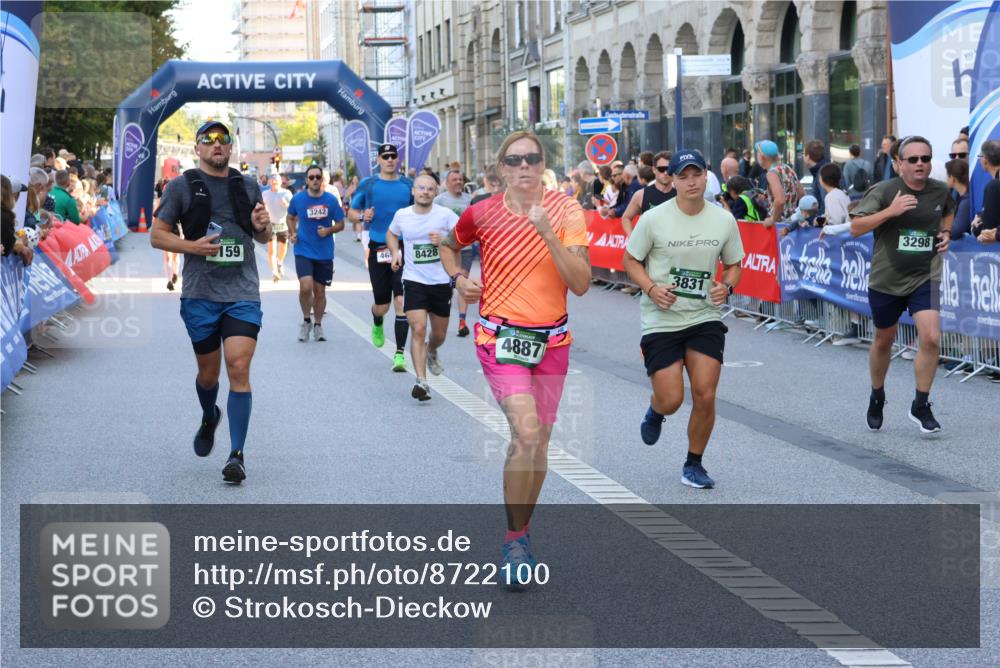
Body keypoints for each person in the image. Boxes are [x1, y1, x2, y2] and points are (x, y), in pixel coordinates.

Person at [439, 131, 591, 586]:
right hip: (500, 336)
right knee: (525, 432)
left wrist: (547, 233)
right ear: (501, 168)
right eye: (514, 159)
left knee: (538, 442)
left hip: (553, 341)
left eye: (532, 158)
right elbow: (448, 244)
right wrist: (458, 278)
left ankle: (521, 530)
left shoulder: (566, 210)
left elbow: (581, 283)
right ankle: (515, 541)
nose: (524, 166)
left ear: (542, 165)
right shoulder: (482, 211)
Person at [150, 120, 272, 484]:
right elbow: (157, 236)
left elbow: (264, 236)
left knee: (239, 367)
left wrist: (263, 225)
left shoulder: (247, 185)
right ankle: (209, 415)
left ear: (231, 147)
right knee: (208, 374)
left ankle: (237, 455)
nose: (217, 144)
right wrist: (192, 246)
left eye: (223, 139)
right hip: (200, 294)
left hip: (242, 292)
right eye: (209, 139)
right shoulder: (181, 186)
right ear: (198, 147)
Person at [621, 149, 744, 489]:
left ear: (706, 176)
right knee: (672, 399)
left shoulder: (724, 220)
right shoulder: (653, 219)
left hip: (704, 317)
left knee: (705, 393)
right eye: (683, 176)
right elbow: (630, 260)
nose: (691, 182)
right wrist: (651, 288)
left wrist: (726, 286)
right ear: (672, 180)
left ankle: (694, 464)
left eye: (697, 174)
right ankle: (656, 410)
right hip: (662, 317)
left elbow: (734, 264)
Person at [849, 135, 955, 434]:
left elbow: (949, 211)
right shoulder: (884, 191)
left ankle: (920, 404)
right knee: (884, 340)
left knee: (930, 338)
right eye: (913, 159)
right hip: (887, 278)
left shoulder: (940, 190)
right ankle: (877, 394)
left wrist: (946, 233)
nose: (920, 164)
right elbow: (855, 227)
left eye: (925, 158)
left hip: (926, 275)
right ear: (899, 163)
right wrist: (890, 212)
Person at [387, 175, 459, 400]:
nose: (425, 192)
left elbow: (463, 239)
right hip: (413, 280)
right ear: (413, 191)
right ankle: (422, 381)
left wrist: (445, 239)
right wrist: (395, 252)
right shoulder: (402, 215)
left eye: (430, 189)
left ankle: (432, 350)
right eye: (421, 188)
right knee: (418, 329)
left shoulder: (445, 215)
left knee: (439, 334)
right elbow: (391, 233)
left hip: (441, 281)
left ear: (435, 192)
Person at [348, 143, 414, 371]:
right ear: (378, 160)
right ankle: (377, 320)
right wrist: (362, 216)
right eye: (385, 156)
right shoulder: (368, 184)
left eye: (393, 156)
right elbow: (351, 212)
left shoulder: (408, 185)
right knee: (382, 305)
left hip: (403, 247)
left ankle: (399, 354)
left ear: (398, 159)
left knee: (401, 301)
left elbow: (419, 211)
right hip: (378, 246)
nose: (390, 159)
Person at [286, 165, 345, 341]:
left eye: (318, 177)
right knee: (306, 287)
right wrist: (292, 232)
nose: (315, 180)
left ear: (322, 179)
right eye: (311, 177)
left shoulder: (331, 200)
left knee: (320, 292)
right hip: (303, 250)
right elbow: (290, 217)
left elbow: (341, 223)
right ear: (306, 180)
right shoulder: (298, 199)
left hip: (324, 252)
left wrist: (328, 230)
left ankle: (318, 325)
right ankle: (306, 320)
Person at [434, 169, 474, 337]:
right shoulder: (439, 200)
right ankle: (442, 318)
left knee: (463, 281)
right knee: (448, 284)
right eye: (455, 179)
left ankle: (462, 322)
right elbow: (432, 220)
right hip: (448, 248)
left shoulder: (469, 199)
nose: (458, 182)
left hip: (466, 249)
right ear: (447, 182)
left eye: (460, 179)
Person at [622, 151, 676, 236]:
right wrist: (632, 238)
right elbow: (626, 218)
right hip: (650, 243)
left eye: (669, 169)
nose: (665, 173)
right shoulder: (641, 195)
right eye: (661, 169)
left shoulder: (681, 194)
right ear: (654, 169)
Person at [755, 140, 803, 225]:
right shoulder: (788, 168)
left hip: (779, 224)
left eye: (757, 153)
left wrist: (772, 219)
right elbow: (802, 194)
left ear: (762, 157)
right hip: (792, 222)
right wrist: (767, 196)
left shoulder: (772, 173)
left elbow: (780, 200)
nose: (756, 156)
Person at [262, 173, 293, 282]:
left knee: (282, 248)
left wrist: (286, 204)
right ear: (269, 182)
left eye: (276, 180)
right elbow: (262, 206)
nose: (274, 182)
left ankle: (279, 263)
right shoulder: (265, 194)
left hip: (282, 224)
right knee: (271, 249)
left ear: (280, 182)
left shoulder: (286, 193)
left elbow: (293, 209)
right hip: (270, 225)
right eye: (273, 180)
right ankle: (274, 272)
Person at [971, 139, 1000, 244]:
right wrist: (981, 215)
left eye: (980, 156)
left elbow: (985, 230)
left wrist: (974, 228)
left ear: (985, 160)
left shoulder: (993, 186)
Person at [1, 176, 33, 266]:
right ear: (15, 195)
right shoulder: (5, 216)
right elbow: (7, 248)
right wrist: (21, 245)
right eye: (18, 194)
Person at [945, 159, 972, 238]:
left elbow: (955, 231)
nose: (945, 178)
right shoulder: (961, 197)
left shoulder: (966, 201)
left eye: (947, 175)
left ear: (953, 178)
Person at [803, 139, 831, 215]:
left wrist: (817, 219)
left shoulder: (822, 173)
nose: (803, 156)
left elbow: (825, 202)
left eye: (803, 153)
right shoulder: (825, 168)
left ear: (808, 156)